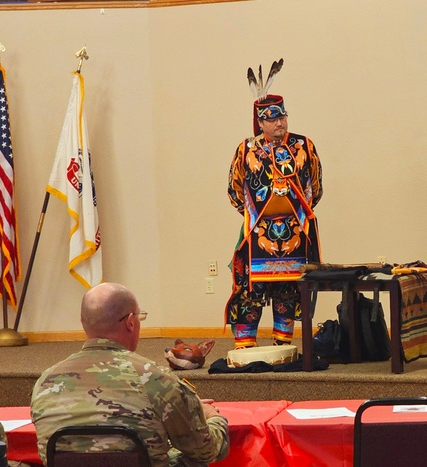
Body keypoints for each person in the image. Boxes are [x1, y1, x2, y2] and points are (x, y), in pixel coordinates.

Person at [30, 283, 229, 467]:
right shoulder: (157, 379)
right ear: (130, 323)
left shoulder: (45, 382)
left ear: (83, 323)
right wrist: (211, 416)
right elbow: (204, 451)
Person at [226, 60, 323, 349]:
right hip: (257, 231)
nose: (279, 122)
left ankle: (284, 346)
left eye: (282, 116)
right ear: (260, 121)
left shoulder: (304, 146)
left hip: (294, 231)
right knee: (249, 288)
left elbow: (315, 187)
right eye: (271, 119)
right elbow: (234, 189)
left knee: (288, 289)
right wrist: (257, 215)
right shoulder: (247, 149)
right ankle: (246, 346)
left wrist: (293, 211)